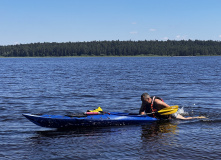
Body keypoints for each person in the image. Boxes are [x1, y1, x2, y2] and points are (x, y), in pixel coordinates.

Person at [139, 93, 206, 120]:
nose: (142, 102)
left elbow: (168, 107)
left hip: (170, 112)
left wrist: (158, 112)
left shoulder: (157, 102)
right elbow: (141, 112)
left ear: (148, 99)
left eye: (143, 100)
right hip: (161, 116)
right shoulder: (144, 103)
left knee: (184, 119)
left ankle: (198, 117)